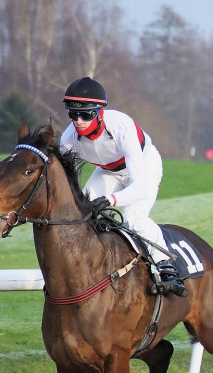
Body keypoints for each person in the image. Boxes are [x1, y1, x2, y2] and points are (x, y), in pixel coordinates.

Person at [59, 76, 186, 297]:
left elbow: (140, 188)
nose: (78, 121)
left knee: (133, 218)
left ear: (100, 113)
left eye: (86, 114)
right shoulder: (68, 140)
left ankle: (167, 268)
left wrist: (110, 200)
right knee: (80, 214)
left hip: (143, 167)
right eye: (73, 114)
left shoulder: (121, 127)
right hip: (108, 171)